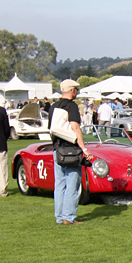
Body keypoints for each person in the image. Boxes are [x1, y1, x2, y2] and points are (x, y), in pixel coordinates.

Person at [48, 80, 94, 224]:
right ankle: (69, 216)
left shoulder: (53, 106)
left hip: (57, 149)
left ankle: (59, 216)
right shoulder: (72, 107)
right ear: (72, 90)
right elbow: (75, 127)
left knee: (59, 184)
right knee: (72, 184)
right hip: (71, 149)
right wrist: (84, 148)